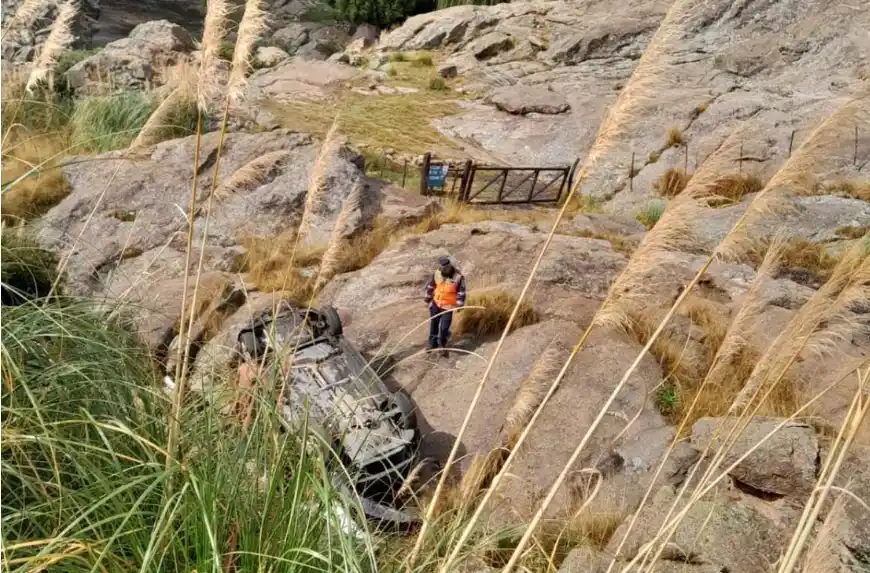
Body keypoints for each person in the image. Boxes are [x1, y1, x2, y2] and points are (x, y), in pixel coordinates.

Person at [424, 257, 466, 356]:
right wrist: (428, 297)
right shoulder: (437, 273)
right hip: (436, 303)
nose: (444, 278)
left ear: (450, 275)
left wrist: (460, 304)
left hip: (448, 307)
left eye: (446, 277)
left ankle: (442, 344)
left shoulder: (458, 278)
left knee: (444, 328)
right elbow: (431, 285)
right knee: (434, 324)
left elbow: (461, 292)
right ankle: (432, 343)